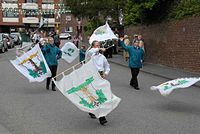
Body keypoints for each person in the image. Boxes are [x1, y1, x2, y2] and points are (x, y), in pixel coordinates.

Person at [86, 40, 110, 125]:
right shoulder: (89, 54)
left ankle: (96, 113)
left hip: (100, 76)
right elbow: (91, 51)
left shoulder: (102, 57)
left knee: (101, 96)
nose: (97, 47)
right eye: (96, 45)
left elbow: (107, 67)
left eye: (99, 45)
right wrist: (99, 48)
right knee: (95, 96)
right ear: (92, 46)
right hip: (92, 77)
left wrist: (105, 73)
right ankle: (101, 117)